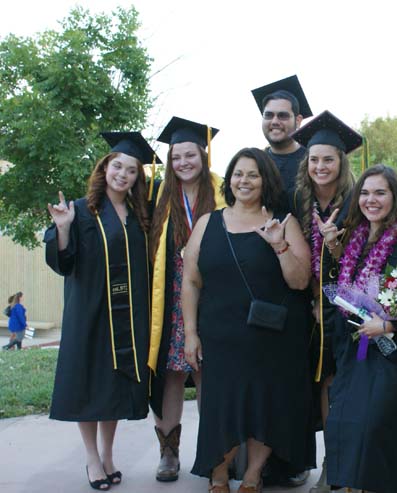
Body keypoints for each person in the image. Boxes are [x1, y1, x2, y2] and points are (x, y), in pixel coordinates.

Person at [183, 147, 312, 493]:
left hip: (272, 338)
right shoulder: (207, 223)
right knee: (221, 406)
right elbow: (192, 282)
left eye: (253, 174)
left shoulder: (284, 223)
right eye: (238, 173)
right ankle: (220, 472)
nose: (244, 181)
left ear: (265, 180)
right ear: (230, 180)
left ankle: (253, 474)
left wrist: (279, 246)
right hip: (220, 337)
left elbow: (300, 281)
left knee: (265, 407)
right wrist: (190, 333)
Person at [44, 131, 156, 490]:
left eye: (131, 171)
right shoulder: (79, 210)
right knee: (87, 383)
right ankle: (92, 458)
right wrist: (62, 229)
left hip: (128, 314)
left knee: (113, 386)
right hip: (90, 312)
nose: (122, 174)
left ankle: (108, 454)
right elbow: (64, 261)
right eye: (117, 166)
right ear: (105, 167)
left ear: (139, 178)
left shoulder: (140, 214)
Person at [324, 164, 397, 493]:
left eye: (380, 193)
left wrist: (387, 323)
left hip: (392, 360)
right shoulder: (354, 242)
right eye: (366, 193)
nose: (371, 200)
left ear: (395, 197)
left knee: (377, 435)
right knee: (348, 430)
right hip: (355, 356)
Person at [147, 116, 226, 482]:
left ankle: (215, 454)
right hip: (171, 297)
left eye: (190, 155)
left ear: (202, 155)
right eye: (176, 157)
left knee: (208, 373)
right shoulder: (159, 196)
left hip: (212, 297)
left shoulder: (222, 190)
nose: (183, 163)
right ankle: (168, 452)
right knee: (172, 375)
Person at [289, 110, 361, 493]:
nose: (320, 166)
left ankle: (337, 464)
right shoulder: (296, 199)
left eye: (328, 159)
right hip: (304, 310)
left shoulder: (357, 201)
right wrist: (311, 299)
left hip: (348, 310)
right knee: (313, 387)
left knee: (338, 385)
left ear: (341, 161)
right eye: (314, 159)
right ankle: (309, 461)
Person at [251, 75, 313, 193]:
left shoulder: (312, 161)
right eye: (269, 115)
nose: (274, 121)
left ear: (298, 120)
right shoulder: (255, 162)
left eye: (282, 116)